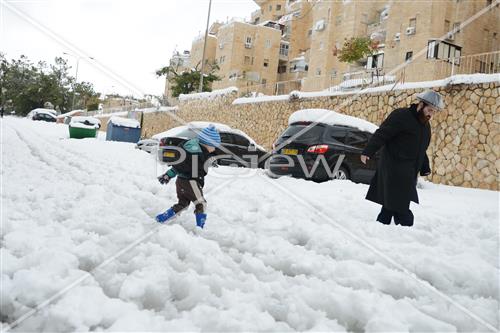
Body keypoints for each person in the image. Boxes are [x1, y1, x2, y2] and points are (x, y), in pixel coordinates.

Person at [360, 90, 444, 227]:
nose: (431, 114)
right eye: (429, 110)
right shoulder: (401, 115)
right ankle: (407, 232)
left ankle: (380, 229)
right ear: (421, 105)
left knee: (390, 206)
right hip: (393, 168)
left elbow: (420, 149)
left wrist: (425, 166)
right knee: (401, 208)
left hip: (408, 172)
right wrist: (368, 151)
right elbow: (382, 133)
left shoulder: (425, 126)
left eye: (434, 112)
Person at [155, 124, 221, 229]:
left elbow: (179, 166)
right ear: (207, 144)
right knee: (201, 204)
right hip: (191, 182)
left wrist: (168, 175)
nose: (214, 149)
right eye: (213, 146)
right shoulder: (195, 154)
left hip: (181, 181)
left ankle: (162, 218)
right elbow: (182, 166)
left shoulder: (196, 150)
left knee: (183, 205)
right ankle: (200, 228)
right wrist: (168, 175)